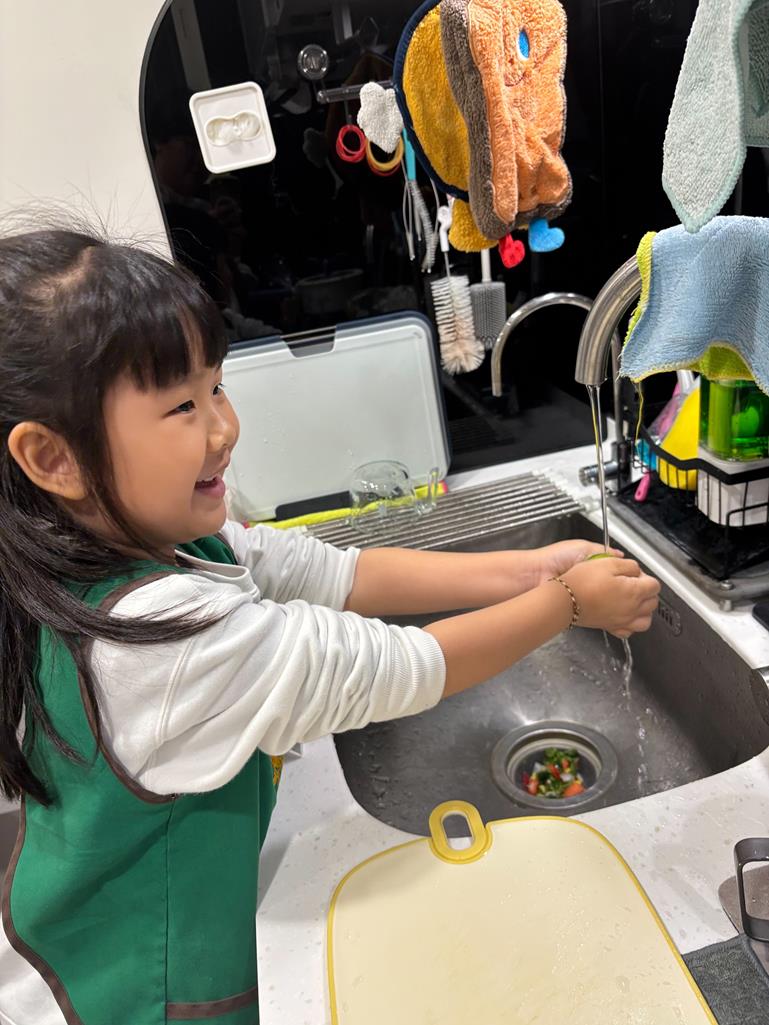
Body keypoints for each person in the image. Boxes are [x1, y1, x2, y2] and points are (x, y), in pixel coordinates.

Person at [0, 228, 660, 1025]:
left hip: (131, 923)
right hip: (148, 983)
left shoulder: (147, 544)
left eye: (216, 386)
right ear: (54, 459)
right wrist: (566, 606)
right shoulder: (154, 637)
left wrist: (529, 570)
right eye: (182, 405)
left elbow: (339, 574)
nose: (224, 427)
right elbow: (398, 668)